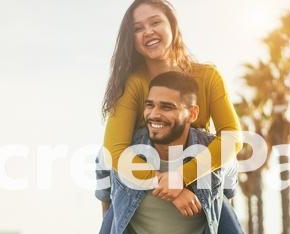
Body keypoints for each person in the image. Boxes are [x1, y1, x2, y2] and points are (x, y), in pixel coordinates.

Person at [86, 72, 267, 234]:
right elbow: (108, 212)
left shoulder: (218, 159)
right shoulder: (117, 156)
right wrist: (172, 190)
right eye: (149, 105)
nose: (154, 114)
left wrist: (182, 180)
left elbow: (224, 220)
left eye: (166, 107)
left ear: (192, 114)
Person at [100, 0, 243, 215]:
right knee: (101, 161)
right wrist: (166, 185)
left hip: (196, 167)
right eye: (138, 28)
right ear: (132, 39)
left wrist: (182, 177)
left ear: (173, 27)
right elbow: (115, 149)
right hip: (147, 168)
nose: (147, 32)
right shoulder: (132, 83)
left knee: (220, 157)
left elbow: (232, 137)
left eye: (155, 22)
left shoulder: (208, 76)